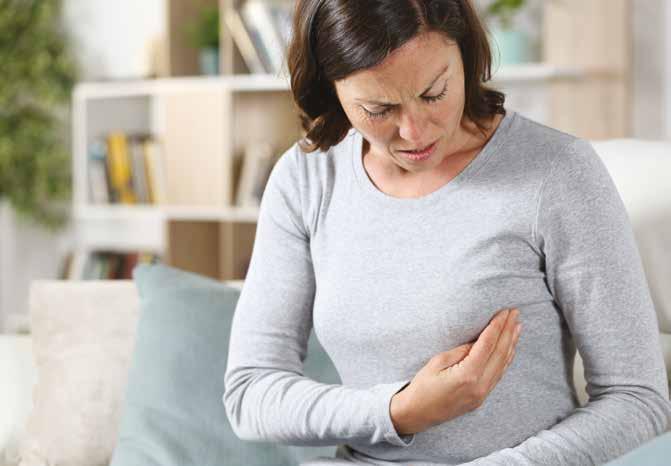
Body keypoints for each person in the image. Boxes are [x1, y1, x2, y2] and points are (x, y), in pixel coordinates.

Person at [223, 1, 671, 464]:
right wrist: (399, 411)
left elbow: (638, 400)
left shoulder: (557, 172)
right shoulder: (307, 178)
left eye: (435, 93)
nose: (415, 131)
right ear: (331, 90)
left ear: (466, 55)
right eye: (379, 109)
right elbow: (250, 393)